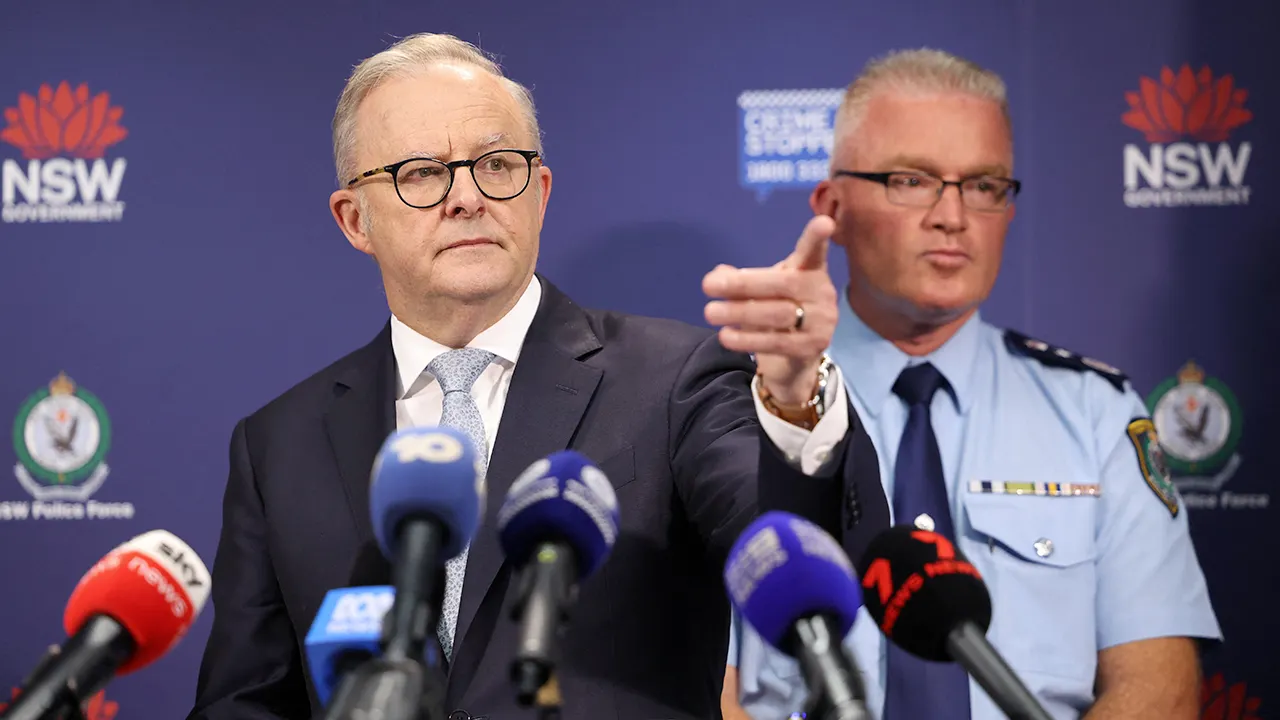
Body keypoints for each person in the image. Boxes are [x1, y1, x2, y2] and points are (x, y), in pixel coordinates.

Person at [187, 33, 887, 720]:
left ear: (540, 193)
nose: (467, 197)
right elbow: (244, 702)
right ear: (354, 219)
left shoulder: (672, 380)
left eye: (496, 164)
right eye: (422, 173)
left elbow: (799, 549)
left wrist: (795, 400)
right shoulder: (279, 445)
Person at [723, 48, 1221, 720]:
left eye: (984, 185)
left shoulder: (1096, 412)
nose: (953, 216)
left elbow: (1157, 685)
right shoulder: (734, 411)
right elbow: (702, 684)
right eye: (911, 180)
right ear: (831, 207)